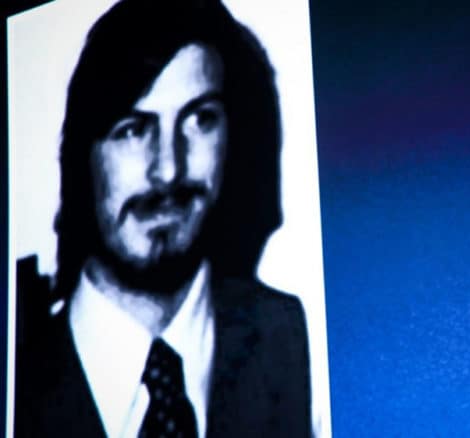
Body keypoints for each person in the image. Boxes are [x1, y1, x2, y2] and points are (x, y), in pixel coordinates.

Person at [14, 0, 311, 436]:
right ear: (80, 159)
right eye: (133, 129)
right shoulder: (18, 383)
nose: (169, 169)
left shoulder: (297, 344)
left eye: (200, 120)